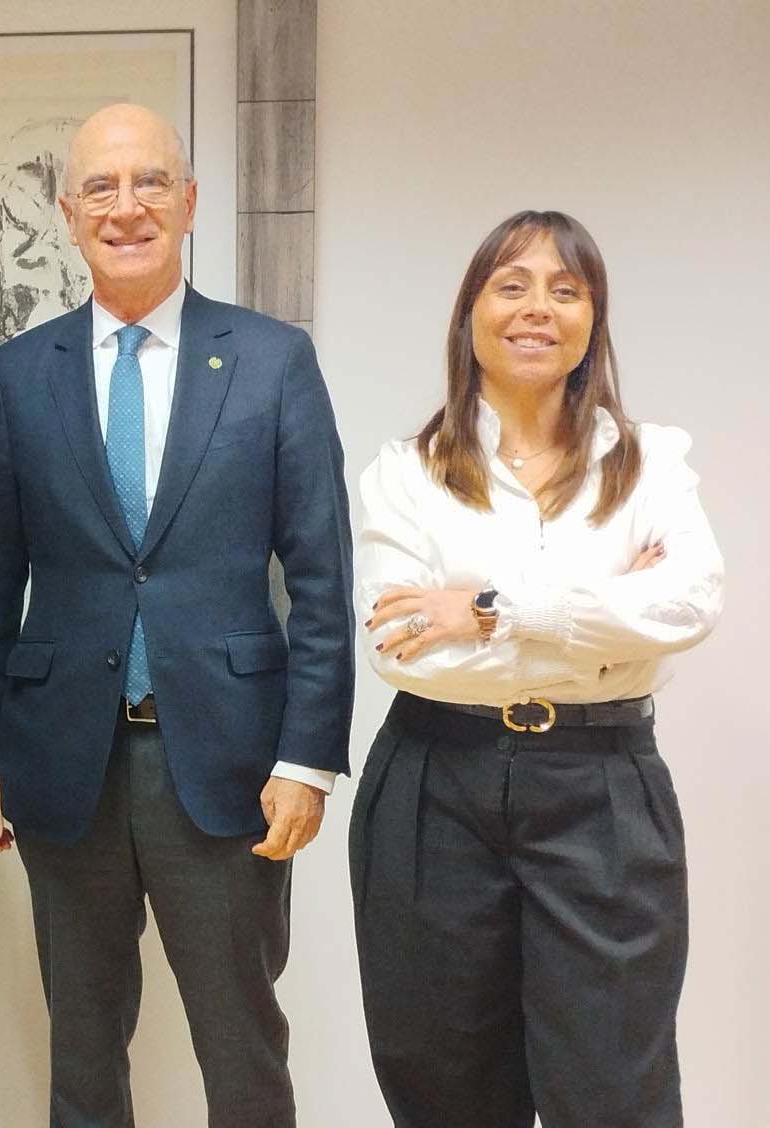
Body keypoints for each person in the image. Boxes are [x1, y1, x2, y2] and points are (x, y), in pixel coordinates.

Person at [0, 102, 355, 1127]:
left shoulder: (271, 359)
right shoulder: (17, 375)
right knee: (82, 1054)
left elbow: (320, 579)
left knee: (241, 1047)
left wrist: (308, 758)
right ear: (67, 214)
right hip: (62, 764)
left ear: (189, 202)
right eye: (100, 187)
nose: (125, 207)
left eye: (149, 183)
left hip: (226, 763)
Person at [351, 209, 723, 1128]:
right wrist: (609, 606)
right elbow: (407, 645)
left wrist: (489, 606)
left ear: (593, 319)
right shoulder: (406, 472)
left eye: (566, 290)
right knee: (444, 1085)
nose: (537, 308)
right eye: (511, 285)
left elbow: (688, 605)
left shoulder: (651, 462)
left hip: (603, 784)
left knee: (615, 1088)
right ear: (470, 313)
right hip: (435, 777)